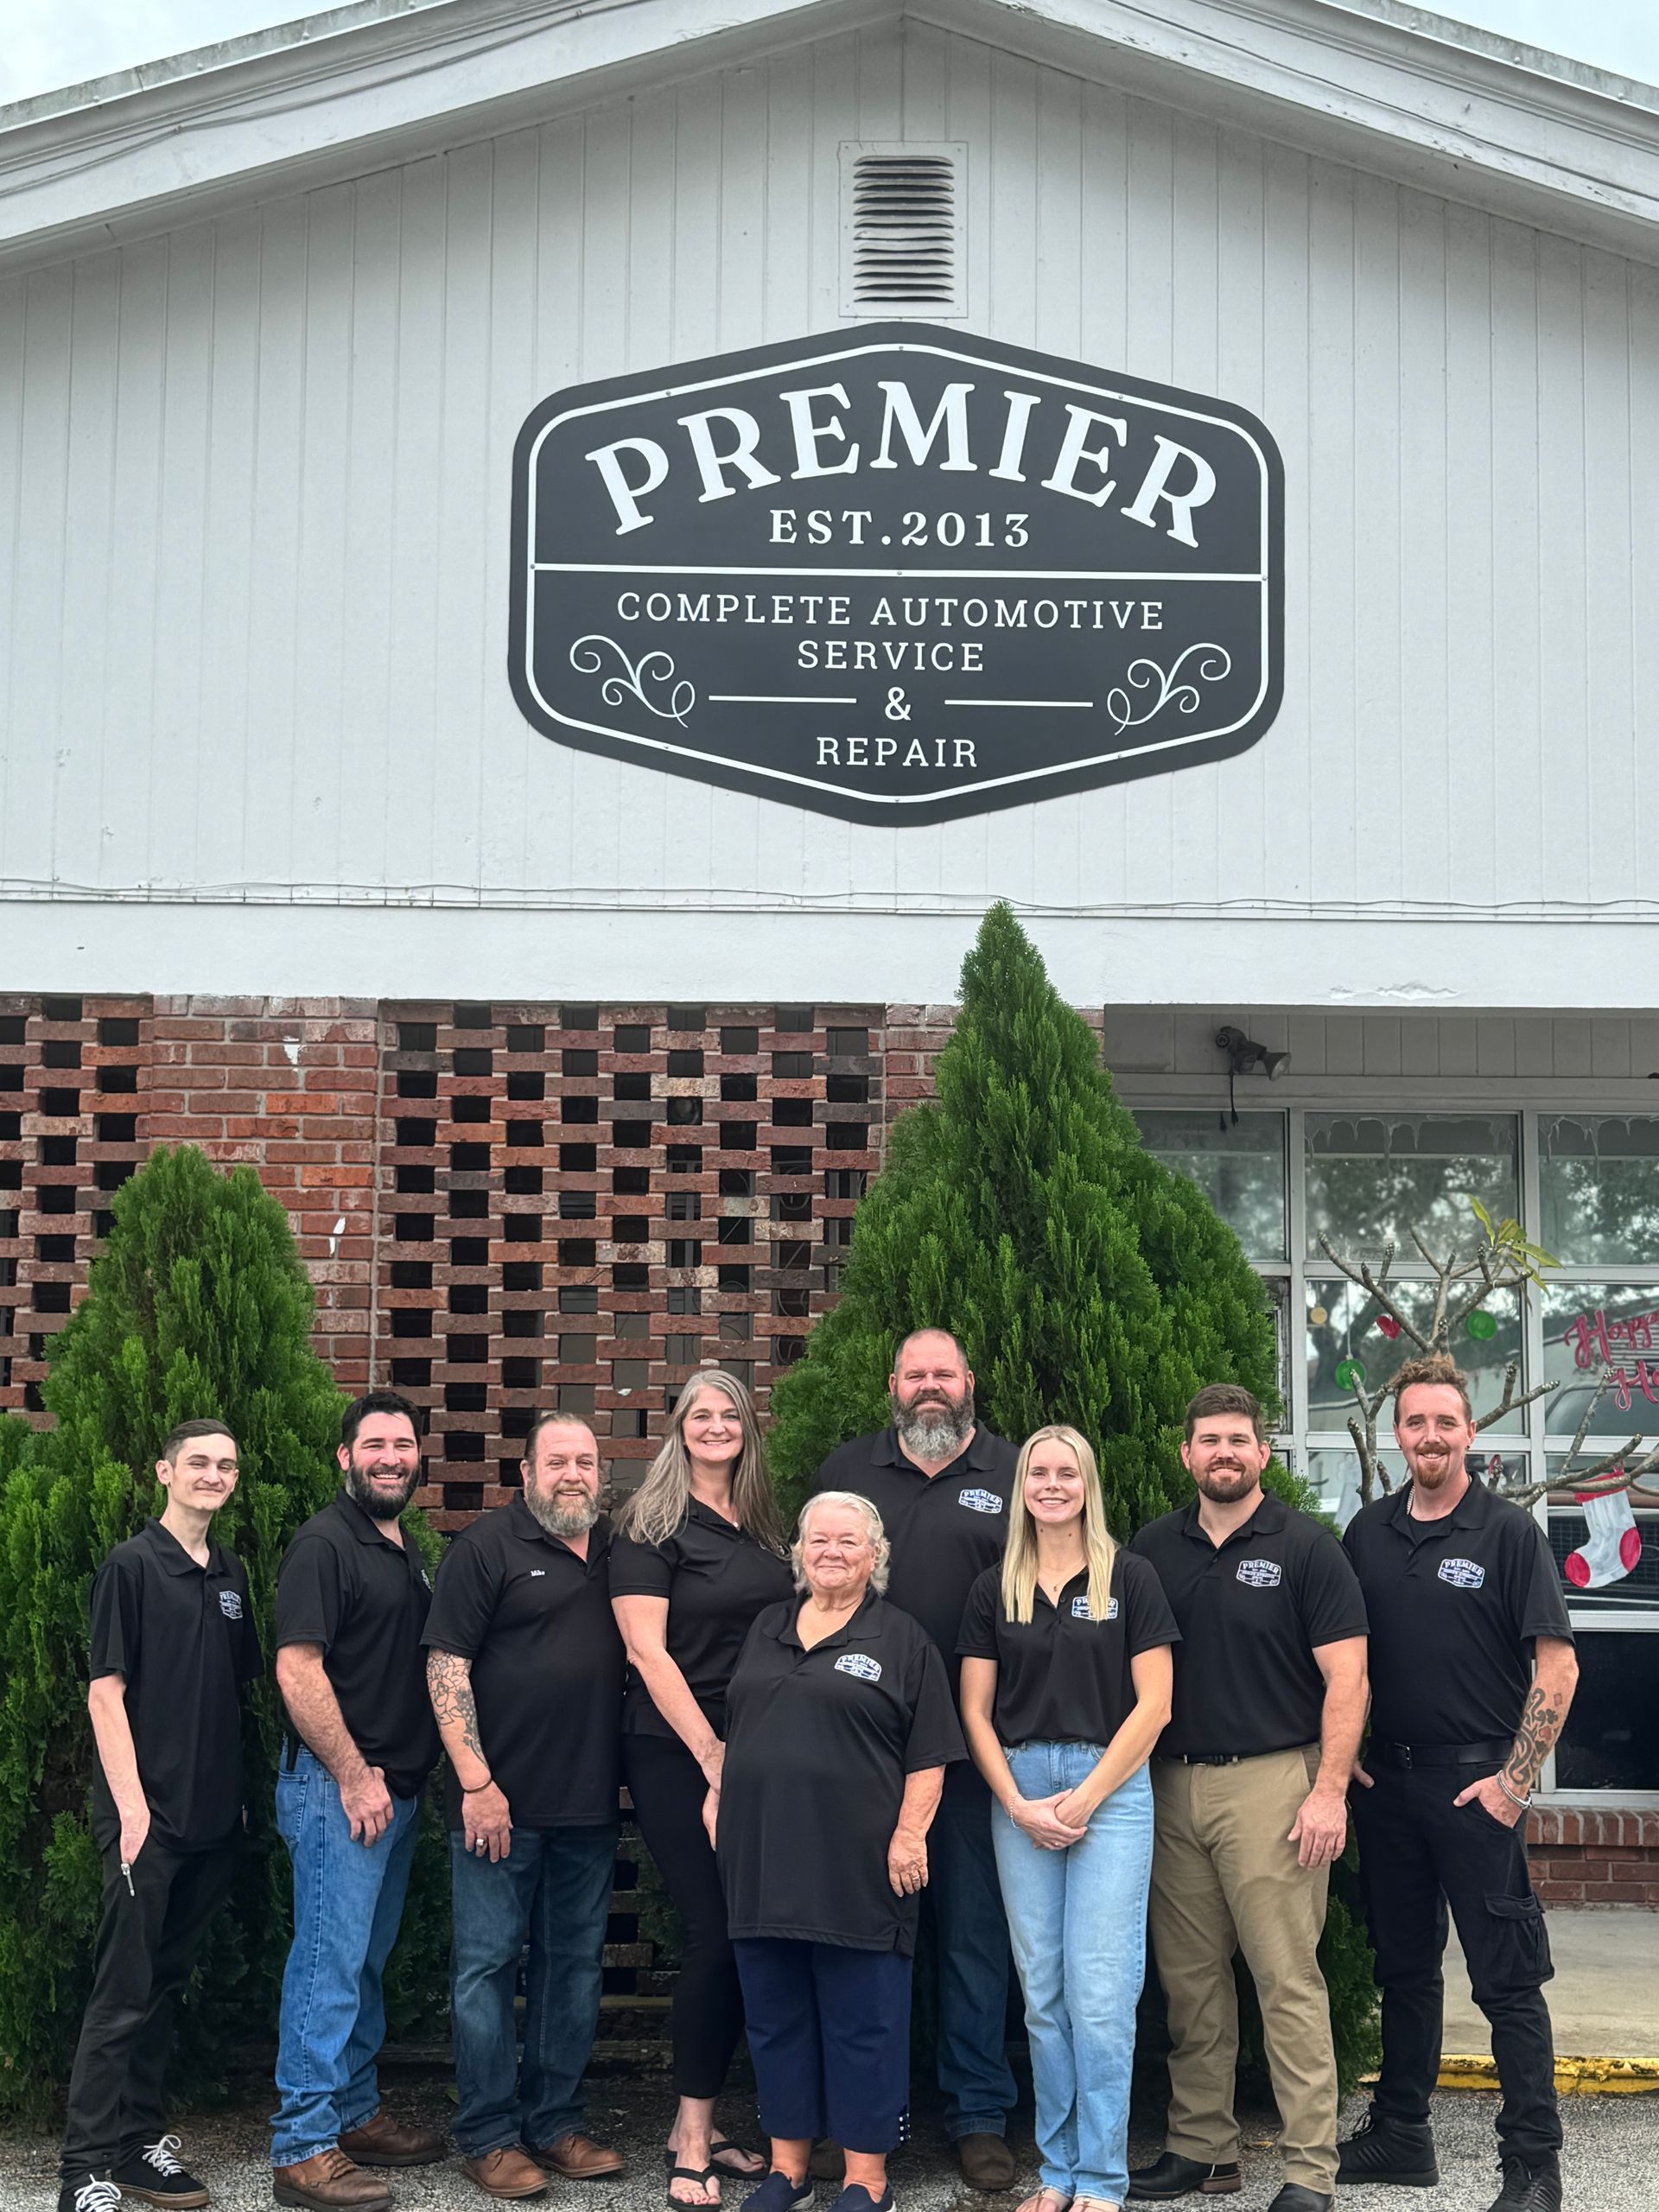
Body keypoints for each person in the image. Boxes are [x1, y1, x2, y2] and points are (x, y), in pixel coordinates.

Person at [1338, 1355, 1579, 2212]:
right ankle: (1402, 2131)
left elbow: (1557, 1665)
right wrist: (1344, 1756)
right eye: (1415, 1422)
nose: (1430, 1436)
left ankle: (1532, 2169)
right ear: (1396, 1432)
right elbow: (1342, 1658)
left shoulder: (1508, 1533)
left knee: (1507, 1980)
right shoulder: (1366, 1533)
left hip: (1477, 1788)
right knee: (1402, 1969)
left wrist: (1515, 1785)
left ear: (1470, 1431)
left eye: (1445, 1421)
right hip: (1389, 1787)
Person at [1127, 1386, 1369, 2212]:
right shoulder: (1151, 1550)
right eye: (1208, 1441)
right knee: (1190, 1983)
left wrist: (1329, 1790)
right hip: (1168, 1784)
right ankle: (1204, 2149)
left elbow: (1349, 1678)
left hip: (1274, 1784)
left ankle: (1310, 2170)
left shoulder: (1308, 1549)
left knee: (1286, 1980)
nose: (1223, 1453)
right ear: (1187, 1455)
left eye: (1239, 1440)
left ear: (1263, 1454)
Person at [711, 1491, 964, 2212]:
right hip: (762, 1858)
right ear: (799, 1551)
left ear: (875, 1556)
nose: (831, 1551)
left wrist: (911, 1834)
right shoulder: (767, 1627)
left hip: (860, 1864)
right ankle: (787, 2170)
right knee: (775, 2015)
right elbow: (742, 1726)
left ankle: (865, 2178)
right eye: (818, 1539)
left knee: (865, 2020)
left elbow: (930, 1756)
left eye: (848, 1541)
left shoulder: (903, 1640)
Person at [810, 1329, 1019, 2190]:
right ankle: (869, 2116)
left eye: (945, 1373)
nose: (931, 1387)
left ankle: (977, 2113)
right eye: (916, 1374)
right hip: (864, 1751)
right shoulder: (845, 1470)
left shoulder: (1012, 1473)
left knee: (973, 1935)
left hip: (975, 1752)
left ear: (969, 1381)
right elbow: (816, 1593)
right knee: (868, 1941)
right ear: (892, 1384)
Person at [959, 1425, 1179, 2212]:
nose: (1052, 1485)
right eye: (1038, 1473)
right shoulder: (996, 1588)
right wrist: (1017, 1804)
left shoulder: (1132, 1578)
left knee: (1101, 1994)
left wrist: (1086, 1798)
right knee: (1043, 1995)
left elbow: (1155, 1704)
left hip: (1109, 1789)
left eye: (1067, 1472)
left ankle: (1104, 2180)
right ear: (1022, 1486)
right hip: (1018, 1789)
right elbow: (975, 1713)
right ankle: (1057, 2174)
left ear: (1088, 1483)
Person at [423, 1413, 627, 2202]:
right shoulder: (486, 1548)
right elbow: (447, 1667)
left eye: (584, 1462)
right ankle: (487, 2134)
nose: (572, 1474)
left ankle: (555, 2123)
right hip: (497, 1807)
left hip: (588, 1804)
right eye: (557, 1462)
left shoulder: (615, 1550)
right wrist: (477, 1782)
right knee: (485, 1969)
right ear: (526, 1474)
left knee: (572, 1970)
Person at [58, 1419, 261, 2212]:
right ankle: (84, 2173)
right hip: (149, 1826)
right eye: (200, 1463)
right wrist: (133, 1809)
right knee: (121, 1996)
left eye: (227, 1466)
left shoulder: (233, 1573)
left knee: (167, 1986)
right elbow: (104, 1694)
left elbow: (230, 1695)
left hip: (214, 1824)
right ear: (164, 1472)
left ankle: (140, 2148)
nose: (214, 1475)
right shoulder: (130, 1566)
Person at [611, 1371, 795, 2208]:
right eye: (701, 1415)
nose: (716, 1426)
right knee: (715, 1932)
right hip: (676, 1750)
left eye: (731, 1413)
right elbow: (649, 1655)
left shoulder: (761, 1526)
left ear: (748, 1430)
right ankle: (690, 2132)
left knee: (746, 1937)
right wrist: (713, 1754)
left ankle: (709, 2117)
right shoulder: (652, 1528)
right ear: (677, 1428)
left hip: (757, 1755)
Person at [270, 1391, 444, 2212]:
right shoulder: (323, 1544)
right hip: (341, 1790)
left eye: (403, 1445)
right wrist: (351, 1773)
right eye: (373, 1444)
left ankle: (352, 2113)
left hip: (391, 1793)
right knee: (326, 1966)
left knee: (363, 1966)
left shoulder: (399, 1545)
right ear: (344, 1456)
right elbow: (298, 1669)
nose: (389, 1457)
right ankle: (303, 2145)